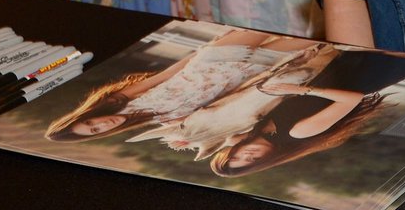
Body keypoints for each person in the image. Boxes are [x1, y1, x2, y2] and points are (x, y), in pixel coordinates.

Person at [45, 29, 317, 141]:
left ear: (91, 116)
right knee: (307, 35)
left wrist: (199, 53)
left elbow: (162, 76)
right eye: (95, 132)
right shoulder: (166, 122)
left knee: (269, 23)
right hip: (248, 71)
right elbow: (214, 119)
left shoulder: (120, 99)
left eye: (92, 123)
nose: (101, 126)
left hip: (215, 58)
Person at [208, 47, 405, 176]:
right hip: (365, 73)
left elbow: (225, 133)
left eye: (237, 155)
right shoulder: (296, 134)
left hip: (338, 66)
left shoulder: (258, 130)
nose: (247, 154)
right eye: (250, 160)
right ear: (263, 161)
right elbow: (352, 99)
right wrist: (303, 90)